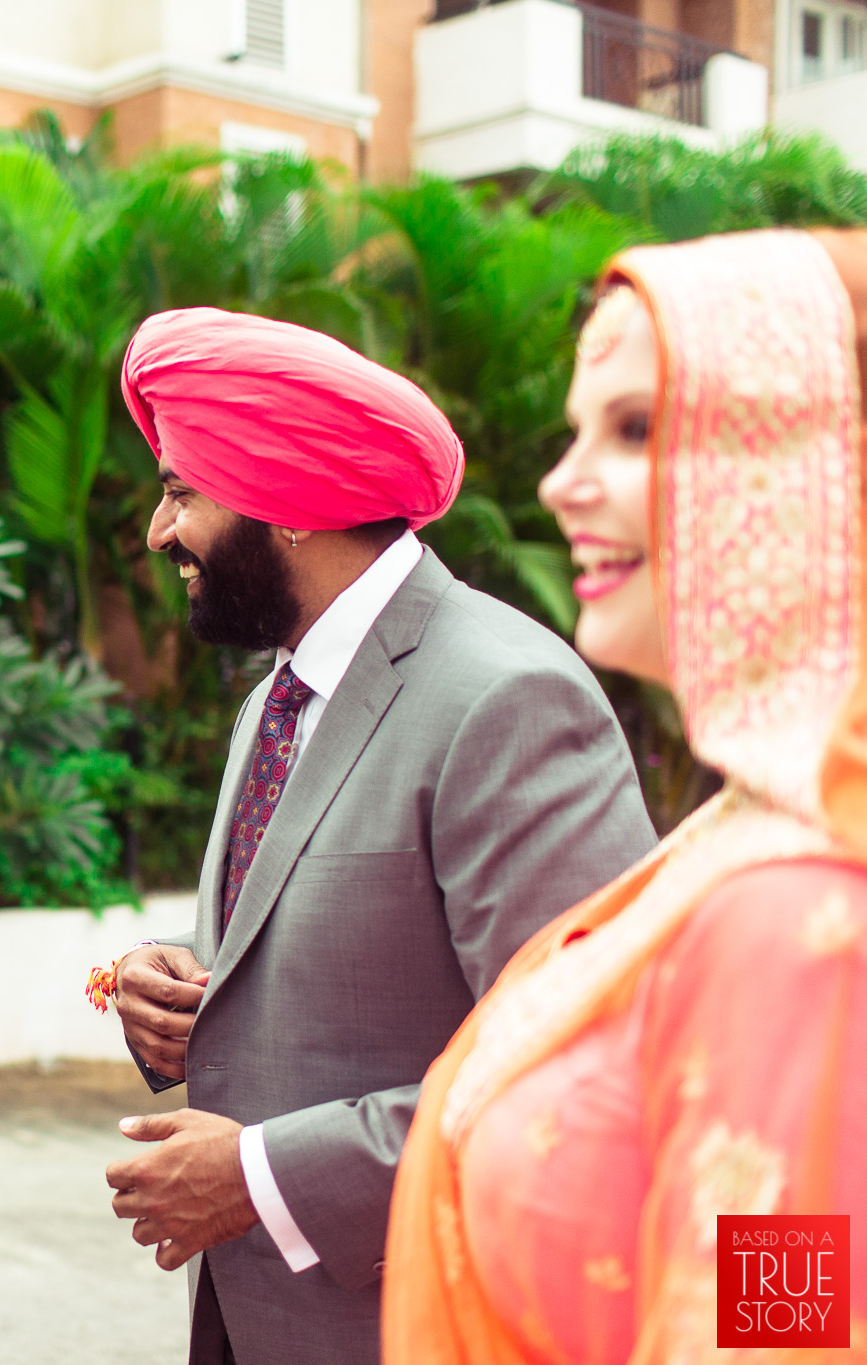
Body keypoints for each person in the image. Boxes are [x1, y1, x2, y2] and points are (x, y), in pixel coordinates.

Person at [97, 309, 659, 1365]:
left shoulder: (504, 697)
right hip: (253, 1318)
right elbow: (290, 959)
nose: (155, 533)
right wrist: (167, 990)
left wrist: (260, 1174)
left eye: (179, 492)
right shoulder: (273, 700)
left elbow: (582, 1074)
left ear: (288, 504)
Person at [382, 229, 867, 1363]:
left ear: (813, 468)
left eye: (638, 428)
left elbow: (777, 1333)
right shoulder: (747, 827)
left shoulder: (800, 917)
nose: (559, 482)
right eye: (574, 430)